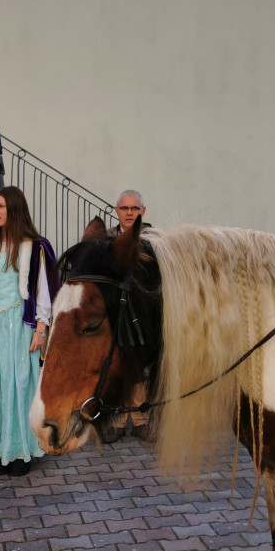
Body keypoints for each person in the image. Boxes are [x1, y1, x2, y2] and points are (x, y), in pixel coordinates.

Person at [0, 186, 58, 476]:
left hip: (21, 324)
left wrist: (41, 329)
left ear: (15, 208)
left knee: (21, 385)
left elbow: (44, 291)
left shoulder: (36, 246)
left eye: (2, 206)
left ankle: (20, 450)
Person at [104, 189, 154, 442]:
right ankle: (117, 419)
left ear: (143, 212)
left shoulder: (154, 240)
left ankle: (142, 419)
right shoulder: (106, 240)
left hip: (143, 311)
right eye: (125, 209)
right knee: (117, 364)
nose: (130, 213)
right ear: (117, 212)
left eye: (135, 209)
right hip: (115, 310)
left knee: (141, 367)